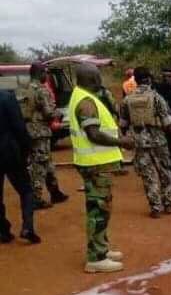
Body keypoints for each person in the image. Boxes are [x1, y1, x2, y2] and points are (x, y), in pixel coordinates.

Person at [68, 64, 133, 273]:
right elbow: (94, 134)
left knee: (100, 208)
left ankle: (101, 249)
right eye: (98, 77)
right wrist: (122, 142)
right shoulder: (86, 102)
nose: (100, 80)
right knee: (99, 211)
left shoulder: (81, 96)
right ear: (93, 80)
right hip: (95, 165)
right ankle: (95, 258)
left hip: (93, 163)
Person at [119, 67, 171, 217]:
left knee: (148, 176)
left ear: (136, 80)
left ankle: (155, 207)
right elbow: (168, 121)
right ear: (149, 79)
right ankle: (169, 203)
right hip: (158, 141)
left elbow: (123, 124)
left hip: (140, 143)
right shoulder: (156, 97)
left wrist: (126, 139)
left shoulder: (127, 99)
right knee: (165, 172)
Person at [23, 62, 68, 209]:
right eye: (45, 73)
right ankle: (35, 199)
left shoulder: (25, 88)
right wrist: (60, 113)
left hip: (30, 130)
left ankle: (55, 192)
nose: (46, 76)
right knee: (39, 166)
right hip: (40, 131)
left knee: (46, 163)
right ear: (41, 73)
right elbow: (49, 113)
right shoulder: (41, 90)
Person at [0, 89, 39, 244]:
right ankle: (27, 227)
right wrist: (26, 149)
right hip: (10, 151)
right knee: (26, 190)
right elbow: (19, 127)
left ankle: (3, 230)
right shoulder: (7, 97)